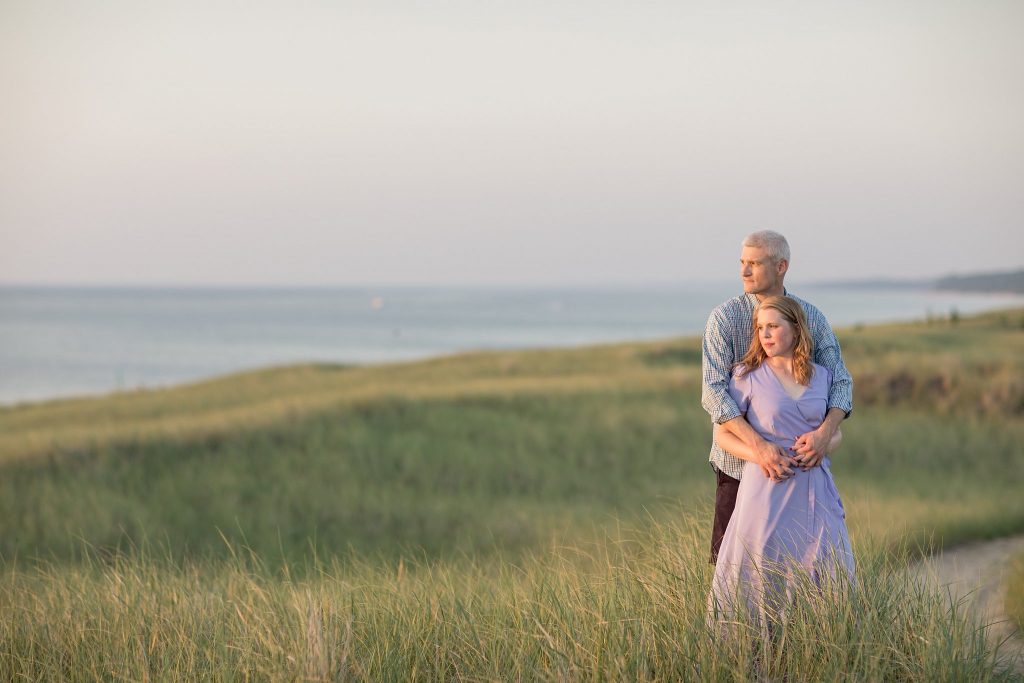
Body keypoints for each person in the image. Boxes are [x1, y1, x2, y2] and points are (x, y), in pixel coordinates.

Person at [702, 230, 853, 564]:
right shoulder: (724, 319)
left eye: (753, 264)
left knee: (803, 566)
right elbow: (714, 394)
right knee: (732, 567)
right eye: (742, 263)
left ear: (781, 266)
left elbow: (840, 383)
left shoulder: (811, 318)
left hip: (799, 474)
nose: (743, 272)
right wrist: (760, 448)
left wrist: (824, 434)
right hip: (738, 467)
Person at [708, 295, 855, 626]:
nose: (765, 334)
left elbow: (837, 435)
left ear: (796, 328)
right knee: (762, 576)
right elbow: (722, 436)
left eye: (773, 326)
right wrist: (761, 454)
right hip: (766, 491)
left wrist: (821, 444)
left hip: (814, 490)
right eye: (761, 328)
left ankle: (818, 653)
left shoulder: (821, 377)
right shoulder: (746, 375)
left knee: (827, 570)